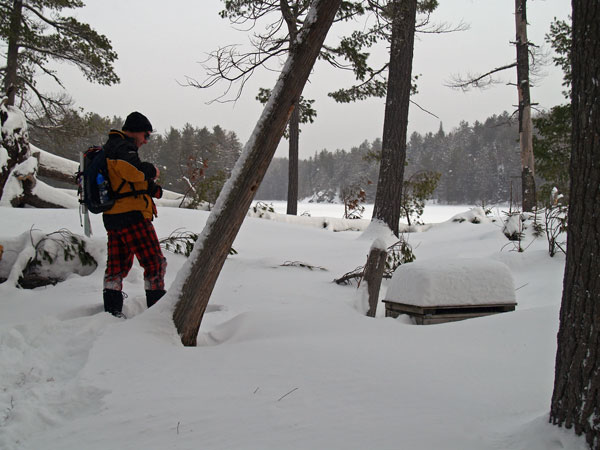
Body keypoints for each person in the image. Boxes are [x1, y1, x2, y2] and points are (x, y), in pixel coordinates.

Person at [102, 111, 167, 318]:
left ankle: (111, 313)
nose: (146, 141)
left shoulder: (112, 147)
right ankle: (156, 315)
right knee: (154, 263)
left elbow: (125, 180)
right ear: (135, 132)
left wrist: (149, 188)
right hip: (131, 216)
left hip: (114, 216)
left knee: (116, 267)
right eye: (146, 135)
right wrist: (152, 171)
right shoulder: (123, 147)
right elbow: (133, 171)